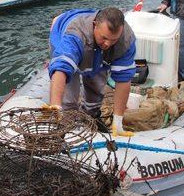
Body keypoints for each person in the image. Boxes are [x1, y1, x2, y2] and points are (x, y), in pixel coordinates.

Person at [46, 7, 136, 136]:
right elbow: (61, 69)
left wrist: (118, 121)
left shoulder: (126, 39)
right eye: (104, 38)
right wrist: (55, 106)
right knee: (69, 93)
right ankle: (66, 120)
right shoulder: (75, 34)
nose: (107, 44)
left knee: (97, 83)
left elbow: (124, 79)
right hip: (64, 31)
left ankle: (92, 115)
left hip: (94, 49)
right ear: (95, 26)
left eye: (113, 40)